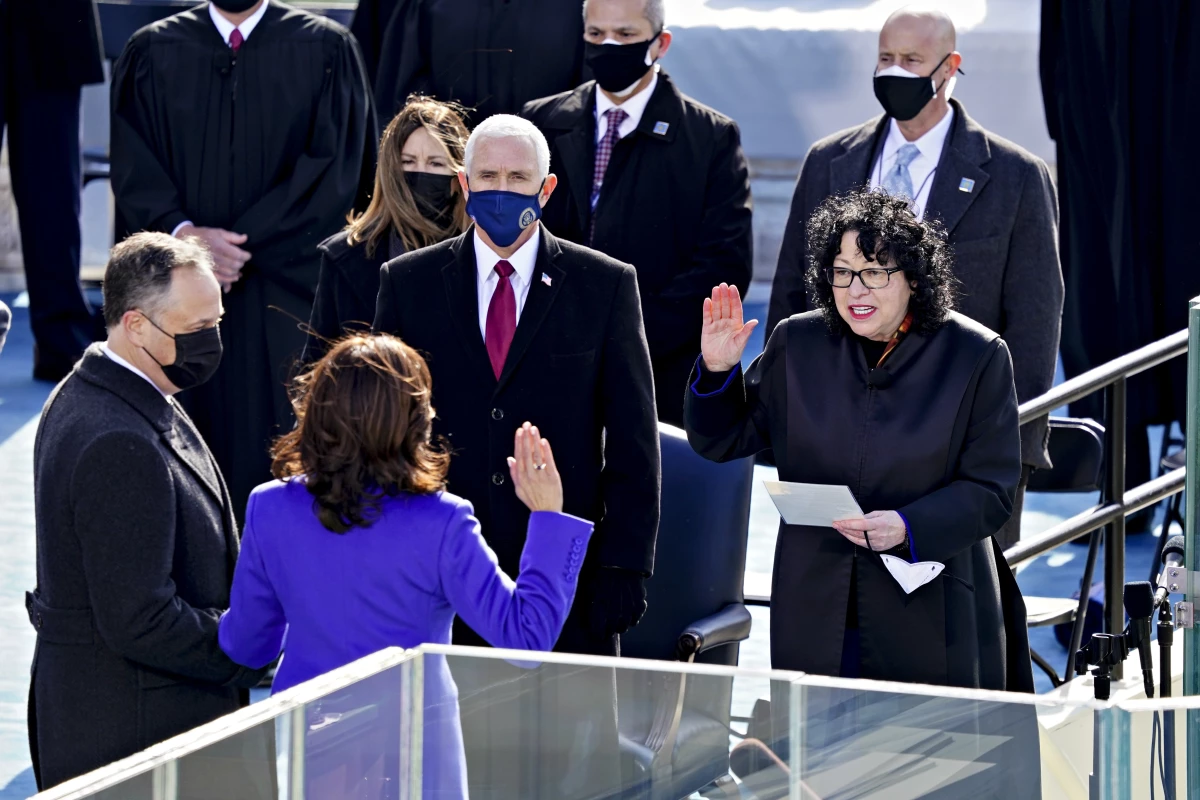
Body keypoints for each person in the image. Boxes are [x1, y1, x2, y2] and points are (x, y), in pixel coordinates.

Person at [373, 113, 659, 797]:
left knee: (568, 775)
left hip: (568, 585)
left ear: (549, 186)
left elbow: (634, 437)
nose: (503, 191)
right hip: (443, 579)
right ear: (465, 186)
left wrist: (624, 564)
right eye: (489, 178)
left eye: (519, 179)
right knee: (451, 767)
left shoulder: (604, 284)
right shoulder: (408, 283)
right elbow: (381, 428)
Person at [219, 334, 593, 799]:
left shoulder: (268, 506)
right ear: (414, 422)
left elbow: (249, 646)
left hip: (311, 748)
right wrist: (547, 518)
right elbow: (526, 637)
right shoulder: (443, 520)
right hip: (415, 758)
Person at [766, 8, 1062, 550]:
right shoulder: (829, 161)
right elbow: (792, 290)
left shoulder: (1016, 176)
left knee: (964, 618)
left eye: (911, 60)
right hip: (838, 433)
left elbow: (1036, 319)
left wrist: (1011, 444)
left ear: (950, 67)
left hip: (959, 439)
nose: (894, 72)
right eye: (885, 58)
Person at [110, 0, 375, 523]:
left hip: (285, 291)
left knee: (286, 443)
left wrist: (230, 247)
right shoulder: (151, 49)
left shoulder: (326, 50)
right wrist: (185, 239)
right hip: (178, 296)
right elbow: (134, 164)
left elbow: (337, 169)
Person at [26, 233, 267, 791]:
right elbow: (140, 619)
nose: (211, 342)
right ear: (135, 325)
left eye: (217, 323)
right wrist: (244, 646)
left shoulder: (100, 389)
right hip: (136, 737)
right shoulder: (117, 441)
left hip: (120, 721)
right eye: (194, 330)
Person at [522, 0, 753, 426]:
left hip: (656, 374)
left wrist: (627, 334)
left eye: (626, 35)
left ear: (660, 43)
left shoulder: (709, 138)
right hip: (547, 359)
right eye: (596, 34)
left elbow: (723, 262)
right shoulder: (540, 123)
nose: (608, 46)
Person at [1041, 1, 1197, 530]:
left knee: (1185, 277)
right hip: (1097, 103)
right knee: (1103, 297)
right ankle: (1121, 491)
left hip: (1181, 95)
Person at [305, 97, 470, 360]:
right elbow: (317, 367)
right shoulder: (345, 257)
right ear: (390, 170)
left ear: (459, 176)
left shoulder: (481, 253)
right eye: (408, 162)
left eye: (436, 164)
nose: (420, 172)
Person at [0, 0, 102, 381]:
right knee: (53, 189)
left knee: (53, 192)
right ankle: (63, 338)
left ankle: (63, 341)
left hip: (51, 19)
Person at [352, 0, 587, 126]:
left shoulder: (582, 8)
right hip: (449, 173)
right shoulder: (425, 6)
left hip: (551, 170)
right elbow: (406, 89)